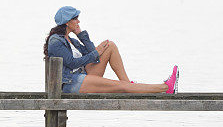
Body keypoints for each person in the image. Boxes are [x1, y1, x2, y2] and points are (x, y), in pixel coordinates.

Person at [43, 6, 178, 94]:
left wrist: (81, 35)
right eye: (76, 19)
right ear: (67, 22)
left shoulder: (71, 39)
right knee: (121, 87)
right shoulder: (56, 41)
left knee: (110, 45)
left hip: (82, 76)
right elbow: (72, 63)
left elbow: (93, 56)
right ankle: (165, 88)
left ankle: (127, 83)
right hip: (70, 84)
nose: (78, 22)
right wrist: (96, 52)